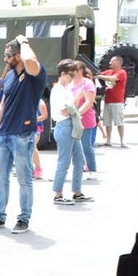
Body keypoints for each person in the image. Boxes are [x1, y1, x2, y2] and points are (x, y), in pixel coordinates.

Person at [0, 34, 46, 234]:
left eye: (8, 55)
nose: (4, 59)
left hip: (22, 134)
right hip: (4, 134)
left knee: (24, 178)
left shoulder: (35, 73)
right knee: (0, 176)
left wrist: (24, 41)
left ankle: (23, 218)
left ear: (18, 55)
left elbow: (30, 61)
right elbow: (2, 105)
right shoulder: (9, 77)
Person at [49, 59, 86, 205]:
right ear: (63, 74)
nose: (72, 78)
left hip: (70, 125)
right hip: (65, 126)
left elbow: (70, 108)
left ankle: (77, 192)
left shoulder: (65, 89)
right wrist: (74, 109)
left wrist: (74, 107)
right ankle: (58, 194)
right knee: (64, 161)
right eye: (70, 75)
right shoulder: (58, 90)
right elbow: (64, 111)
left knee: (79, 159)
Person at [73, 62, 98, 179]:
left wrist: (77, 113)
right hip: (72, 118)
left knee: (86, 145)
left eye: (75, 69)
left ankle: (92, 169)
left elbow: (89, 102)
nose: (73, 71)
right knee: (73, 146)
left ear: (81, 70)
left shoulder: (87, 83)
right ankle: (79, 167)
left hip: (85, 118)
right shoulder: (71, 82)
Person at [96, 55, 127, 147]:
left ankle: (122, 141)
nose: (110, 63)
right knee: (107, 122)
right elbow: (99, 73)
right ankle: (108, 141)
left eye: (112, 61)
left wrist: (99, 76)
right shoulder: (109, 72)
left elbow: (112, 79)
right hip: (107, 100)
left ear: (119, 62)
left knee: (119, 122)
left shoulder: (122, 72)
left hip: (117, 101)